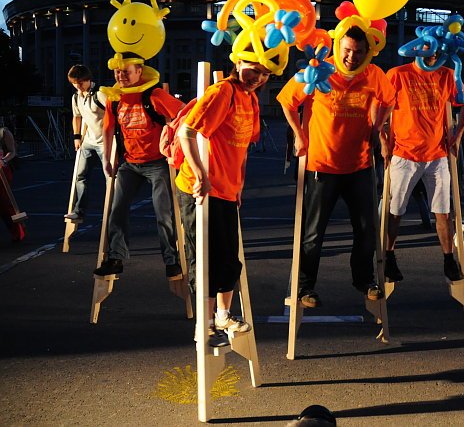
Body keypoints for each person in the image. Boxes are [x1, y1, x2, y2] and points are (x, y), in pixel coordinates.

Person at [277, 26, 396, 308]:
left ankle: (364, 280)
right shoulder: (319, 69)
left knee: (367, 229)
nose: (351, 57)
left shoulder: (373, 74)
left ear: (367, 52)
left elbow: (389, 100)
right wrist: (298, 134)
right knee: (313, 233)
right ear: (336, 47)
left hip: (360, 165)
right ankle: (305, 286)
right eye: (346, 51)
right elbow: (286, 101)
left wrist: (377, 128)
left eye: (358, 52)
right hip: (321, 165)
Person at [177, 58, 267, 347]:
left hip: (226, 189)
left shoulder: (250, 98)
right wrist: (201, 175)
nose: (258, 78)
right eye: (254, 69)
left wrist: (238, 183)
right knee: (204, 260)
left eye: (265, 73)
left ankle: (223, 316)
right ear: (239, 61)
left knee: (228, 259)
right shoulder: (223, 92)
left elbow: (242, 147)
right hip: (200, 188)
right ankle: (203, 327)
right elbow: (186, 132)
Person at [381, 49, 464, 283]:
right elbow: (379, 107)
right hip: (404, 153)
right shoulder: (398, 74)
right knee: (395, 210)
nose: (433, 56)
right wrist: (382, 140)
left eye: (438, 52)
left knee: (443, 211)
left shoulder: (447, 75)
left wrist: (458, 135)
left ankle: (448, 258)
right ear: (417, 48)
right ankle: (388, 255)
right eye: (428, 51)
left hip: (437, 154)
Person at [94, 56, 185, 277]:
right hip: (130, 163)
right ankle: (116, 257)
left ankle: (171, 260)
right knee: (117, 208)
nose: (121, 76)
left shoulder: (154, 95)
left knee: (164, 212)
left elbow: (184, 114)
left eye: (126, 72)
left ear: (139, 72)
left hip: (157, 163)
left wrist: (173, 140)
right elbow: (107, 130)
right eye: (117, 72)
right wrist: (107, 159)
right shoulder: (114, 99)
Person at [65, 64, 107, 221]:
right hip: (88, 141)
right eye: (74, 83)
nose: (77, 86)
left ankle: (112, 211)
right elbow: (77, 117)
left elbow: (115, 114)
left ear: (88, 80)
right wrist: (77, 137)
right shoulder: (76, 97)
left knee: (110, 178)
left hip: (105, 143)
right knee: (80, 176)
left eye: (80, 83)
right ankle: (79, 211)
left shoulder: (100, 94)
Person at [0, 121, 24, 242]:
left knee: (5, 203)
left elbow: (12, 151)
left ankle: (18, 231)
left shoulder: (3, 132)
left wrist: (3, 160)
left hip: (2, 171)